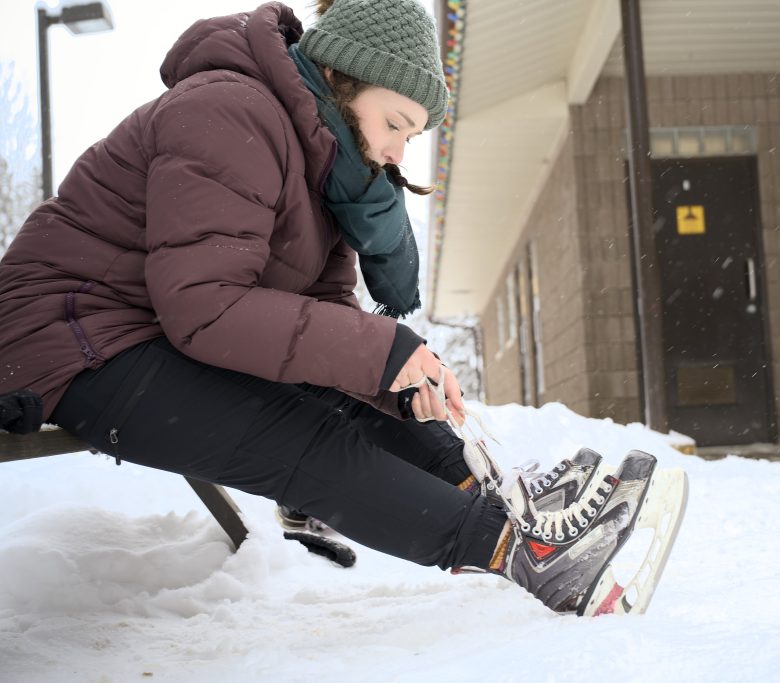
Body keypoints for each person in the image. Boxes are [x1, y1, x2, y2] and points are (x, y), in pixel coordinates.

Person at [0, 0, 659, 616]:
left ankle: (508, 503)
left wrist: (393, 376)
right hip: (71, 337)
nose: (401, 151)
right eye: (396, 124)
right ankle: (520, 555)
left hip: (154, 332)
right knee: (302, 435)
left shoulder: (329, 167)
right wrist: (379, 351)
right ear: (341, 81)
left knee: (343, 392)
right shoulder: (229, 112)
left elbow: (319, 317)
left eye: (414, 134)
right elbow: (203, 305)